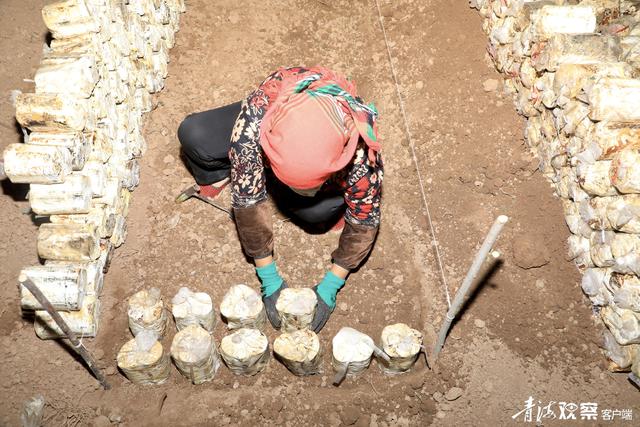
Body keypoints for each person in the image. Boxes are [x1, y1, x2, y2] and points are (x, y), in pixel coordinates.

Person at [177, 66, 383, 332]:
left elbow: (365, 220)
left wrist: (331, 286)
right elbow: (247, 202)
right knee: (195, 134)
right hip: (273, 132)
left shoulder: (360, 151)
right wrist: (268, 278)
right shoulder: (254, 121)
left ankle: (315, 196)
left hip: (314, 160)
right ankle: (223, 171)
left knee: (317, 214)